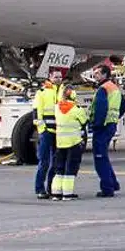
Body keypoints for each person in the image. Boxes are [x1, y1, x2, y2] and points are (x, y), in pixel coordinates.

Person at [91, 66, 125, 197]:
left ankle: (107, 188)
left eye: (97, 73)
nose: (94, 75)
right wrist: (114, 118)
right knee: (104, 156)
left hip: (103, 127)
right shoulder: (113, 87)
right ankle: (113, 183)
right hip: (110, 125)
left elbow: (101, 109)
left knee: (99, 158)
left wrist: (96, 124)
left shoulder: (103, 89)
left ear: (105, 74)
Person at [51, 84, 88, 200]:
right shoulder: (77, 109)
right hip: (74, 143)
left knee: (59, 169)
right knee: (70, 169)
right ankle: (67, 193)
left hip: (60, 143)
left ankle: (56, 193)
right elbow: (84, 121)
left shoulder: (56, 107)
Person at [33, 70, 63, 199]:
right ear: (50, 77)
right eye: (56, 77)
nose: (58, 79)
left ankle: (51, 188)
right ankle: (40, 189)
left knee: (55, 162)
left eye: (60, 77)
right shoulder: (42, 92)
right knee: (44, 162)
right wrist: (42, 129)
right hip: (46, 132)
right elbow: (36, 112)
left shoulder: (63, 91)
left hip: (59, 132)